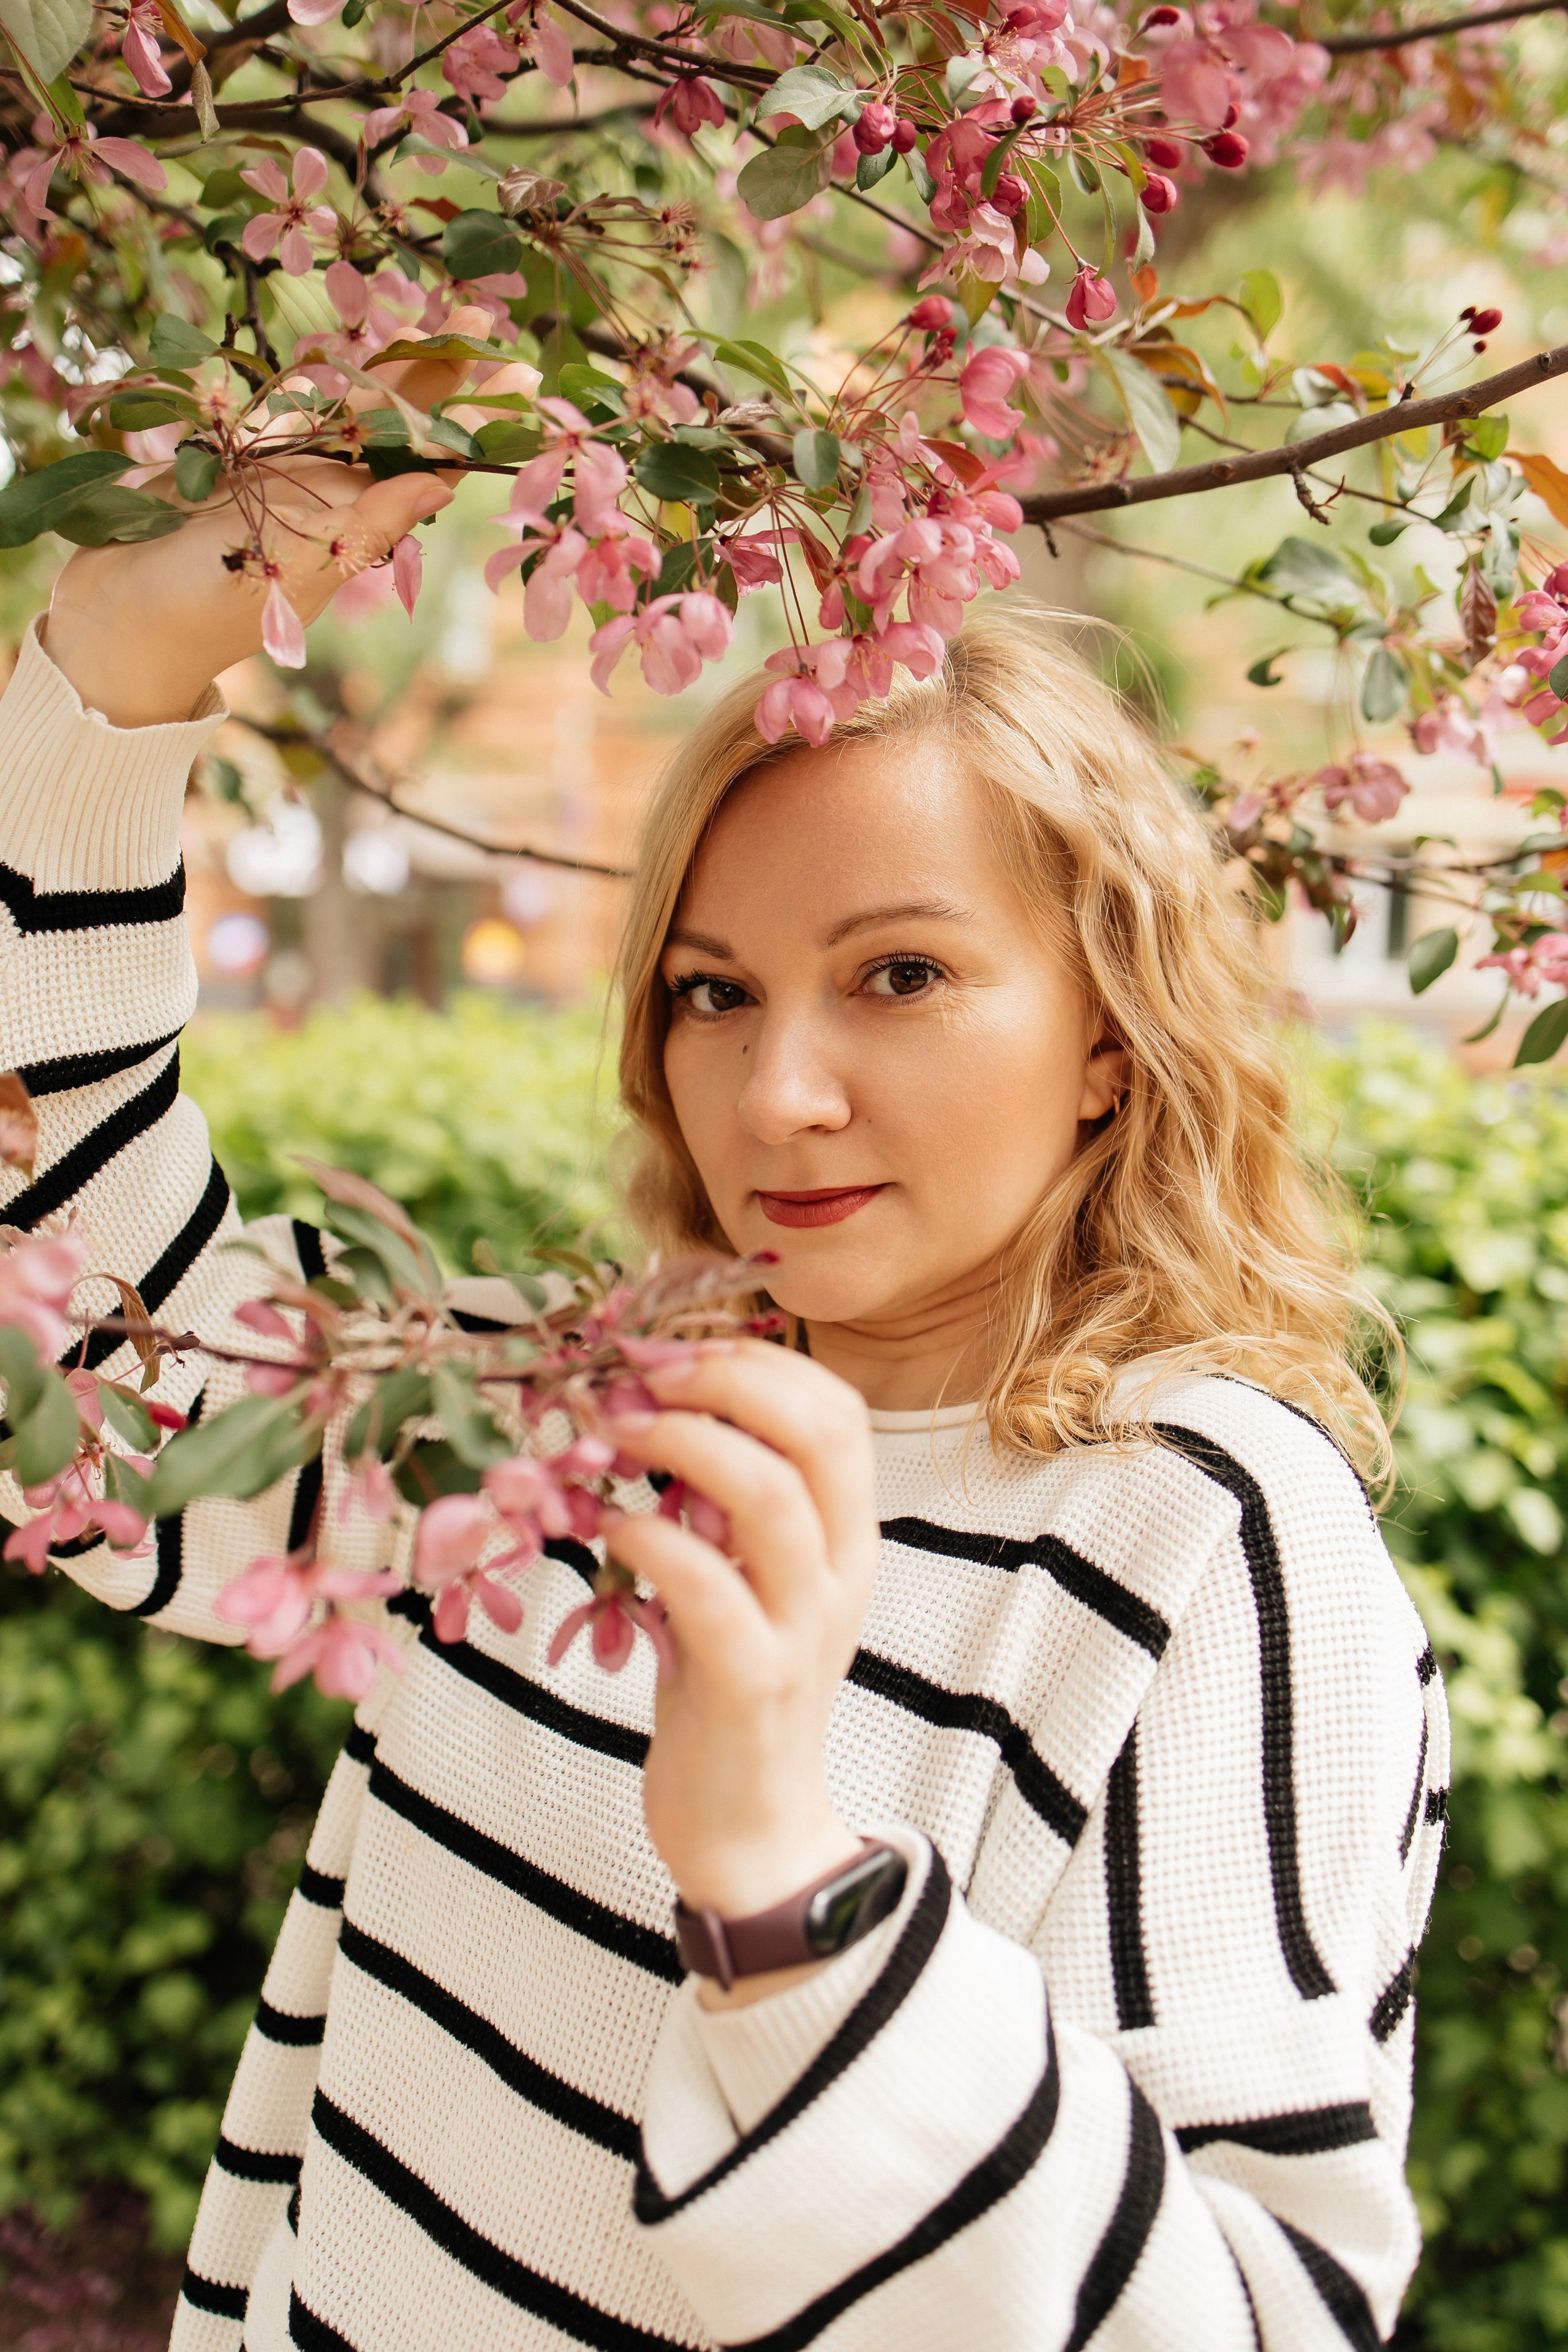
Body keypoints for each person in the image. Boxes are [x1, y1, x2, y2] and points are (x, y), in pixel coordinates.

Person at [0, 402, 1448, 2352]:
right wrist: (109, 679)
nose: (777, 1094)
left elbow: (1254, 2317)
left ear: (1112, 1030)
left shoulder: (1207, 1543)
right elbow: (97, 1373)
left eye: (902, 974)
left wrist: (782, 1882)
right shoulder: (582, 1411)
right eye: (714, 992)